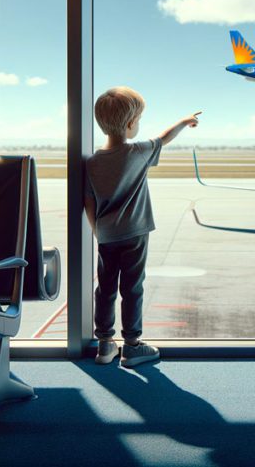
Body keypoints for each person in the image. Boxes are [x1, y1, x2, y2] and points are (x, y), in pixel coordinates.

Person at [84, 86, 201, 367]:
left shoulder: (91, 163)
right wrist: (185, 121)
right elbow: (164, 138)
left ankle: (104, 344)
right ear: (130, 124)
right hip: (135, 234)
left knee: (106, 288)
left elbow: (89, 202)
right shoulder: (137, 152)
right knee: (133, 288)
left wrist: (98, 230)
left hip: (106, 235)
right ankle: (132, 346)